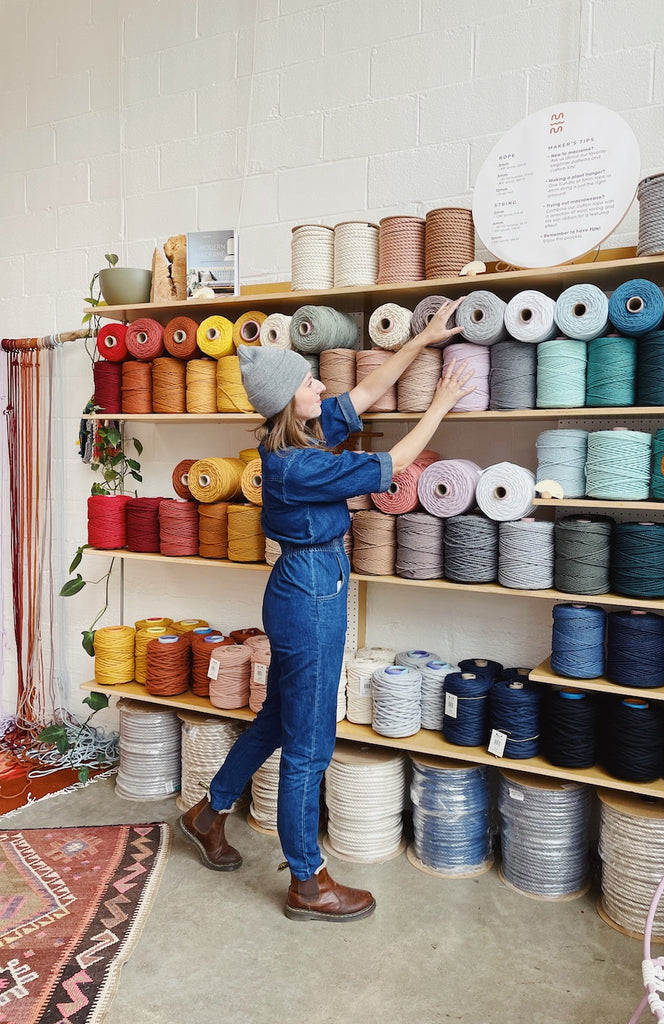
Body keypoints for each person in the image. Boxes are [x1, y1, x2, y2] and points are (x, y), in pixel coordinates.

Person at [179, 298, 474, 922]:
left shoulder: (302, 434)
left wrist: (423, 340)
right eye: (310, 381)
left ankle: (208, 812)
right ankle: (308, 883)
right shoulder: (298, 464)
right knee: (309, 744)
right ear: (291, 399)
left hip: (307, 584)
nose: (321, 383)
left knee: (280, 718)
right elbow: (392, 465)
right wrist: (442, 401)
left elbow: (367, 391)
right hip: (310, 592)